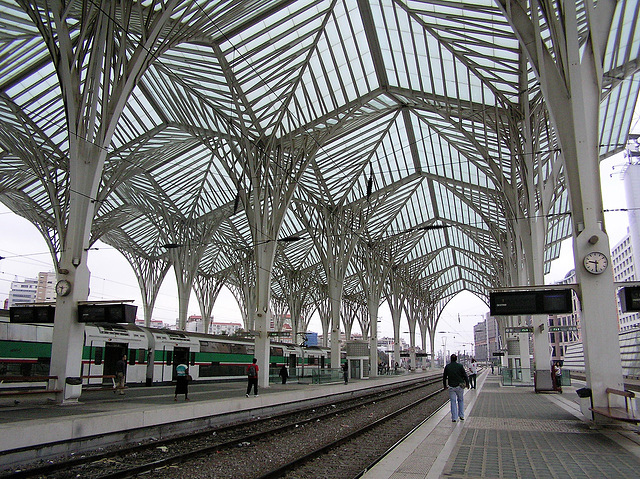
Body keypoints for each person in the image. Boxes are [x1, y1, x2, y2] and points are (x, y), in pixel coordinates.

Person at [443, 354, 469, 422]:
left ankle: (454, 418)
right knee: (460, 400)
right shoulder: (460, 366)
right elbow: (465, 375)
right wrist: (467, 384)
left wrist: (445, 386)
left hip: (451, 386)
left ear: (450, 359)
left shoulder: (447, 367)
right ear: (456, 359)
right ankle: (461, 415)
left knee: (453, 402)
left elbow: (444, 377)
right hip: (460, 386)